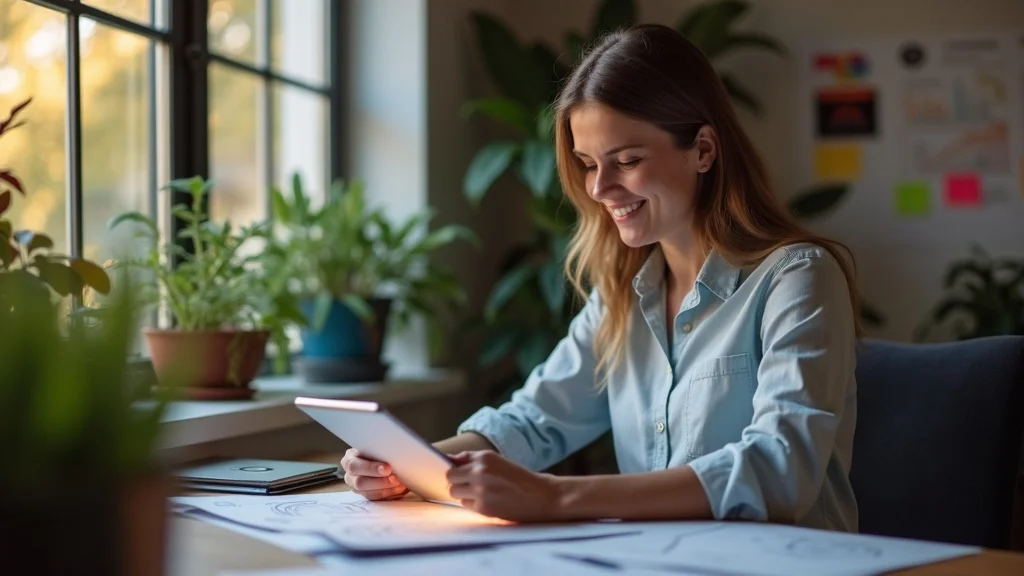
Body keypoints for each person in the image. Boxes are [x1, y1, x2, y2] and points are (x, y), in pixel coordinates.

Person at [340, 23, 861, 532]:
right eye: (588, 164)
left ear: (703, 149)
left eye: (627, 160)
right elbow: (533, 422)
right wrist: (404, 465)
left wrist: (558, 495)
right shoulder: (622, 297)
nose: (600, 188)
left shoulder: (797, 279)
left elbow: (780, 469)